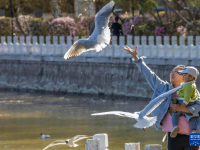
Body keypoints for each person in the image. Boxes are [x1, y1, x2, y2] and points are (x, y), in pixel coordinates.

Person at [123, 46, 200, 150]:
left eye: (176, 72)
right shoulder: (164, 88)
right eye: (172, 71)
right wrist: (136, 58)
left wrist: (180, 108)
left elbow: (198, 109)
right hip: (173, 136)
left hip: (193, 134)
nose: (172, 73)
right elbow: (150, 76)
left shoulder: (192, 91)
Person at [171, 67, 199, 138]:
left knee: (194, 146)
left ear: (191, 77)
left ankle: (175, 126)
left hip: (193, 134)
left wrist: (183, 107)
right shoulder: (168, 89)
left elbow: (187, 96)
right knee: (191, 117)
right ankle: (193, 130)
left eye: (184, 75)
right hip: (178, 136)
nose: (182, 77)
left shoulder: (189, 86)